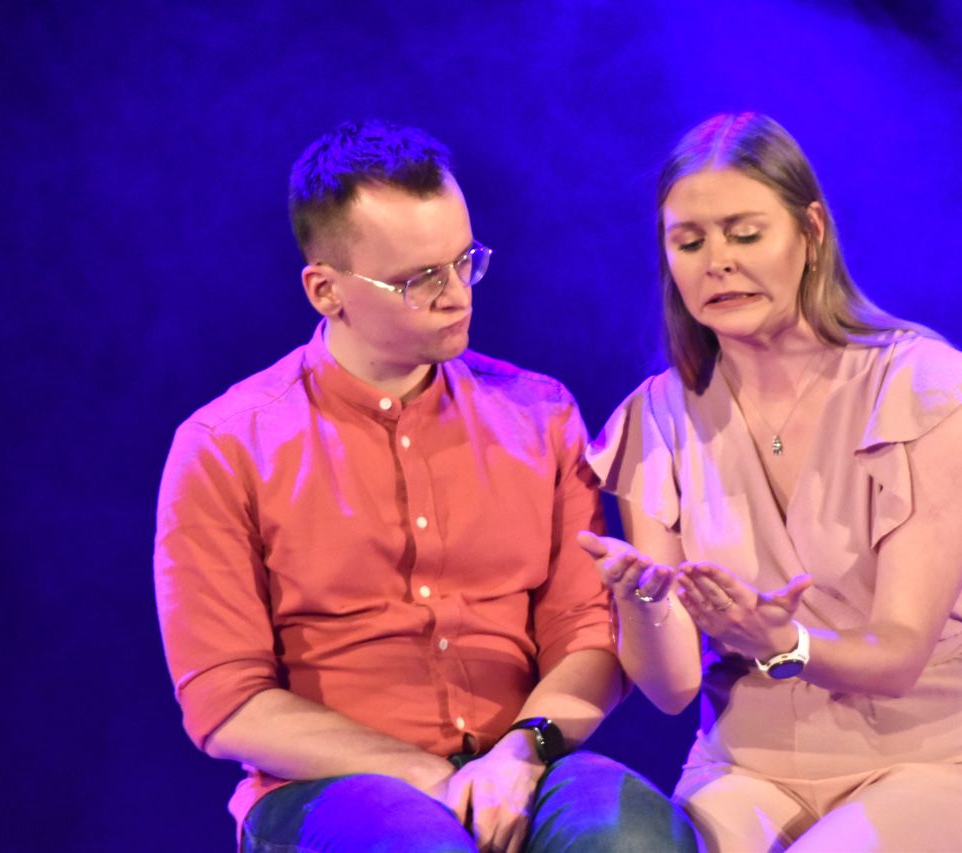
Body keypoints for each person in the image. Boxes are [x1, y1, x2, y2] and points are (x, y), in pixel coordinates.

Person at [154, 120, 699, 852]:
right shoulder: (225, 445)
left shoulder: (540, 413)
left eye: (465, 262)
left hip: (520, 761)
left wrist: (520, 751)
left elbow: (586, 632)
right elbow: (226, 701)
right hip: (329, 788)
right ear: (326, 291)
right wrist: (426, 775)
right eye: (421, 280)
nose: (457, 295)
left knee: (634, 841)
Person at [579, 113, 962, 851]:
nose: (717, 263)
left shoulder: (929, 389)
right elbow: (672, 689)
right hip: (748, 767)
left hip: (941, 758)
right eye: (690, 242)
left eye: (745, 234)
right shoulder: (655, 419)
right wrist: (641, 600)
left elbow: (898, 655)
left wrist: (787, 641)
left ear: (811, 233)